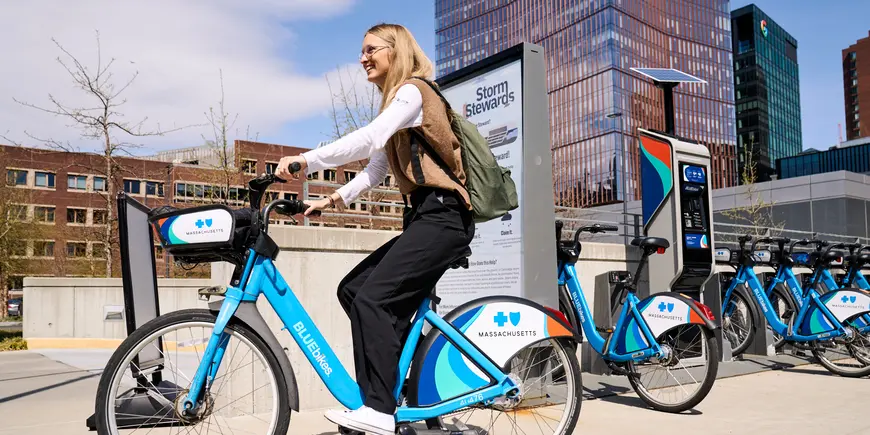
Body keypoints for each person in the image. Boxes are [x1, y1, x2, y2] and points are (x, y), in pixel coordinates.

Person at [275, 23, 475, 435]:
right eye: (362, 51)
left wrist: (305, 161)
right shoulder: (398, 102)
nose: (362, 58)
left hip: (445, 216)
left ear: (395, 49)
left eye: (370, 50)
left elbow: (369, 139)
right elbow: (378, 167)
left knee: (374, 300)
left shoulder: (414, 91)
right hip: (426, 216)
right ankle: (382, 399)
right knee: (353, 292)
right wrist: (333, 201)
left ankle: (380, 410)